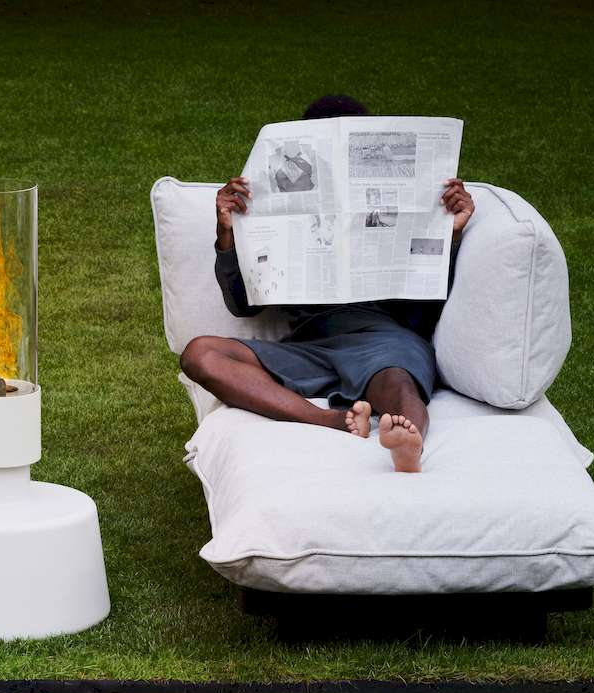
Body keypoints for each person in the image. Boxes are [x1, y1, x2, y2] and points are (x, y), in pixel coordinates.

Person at [178, 95, 475, 473]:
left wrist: (450, 233)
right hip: (308, 346)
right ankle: (332, 421)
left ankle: (407, 442)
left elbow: (425, 310)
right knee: (200, 354)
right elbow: (243, 305)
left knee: (399, 383)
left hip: (383, 344)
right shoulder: (276, 201)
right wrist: (228, 234)